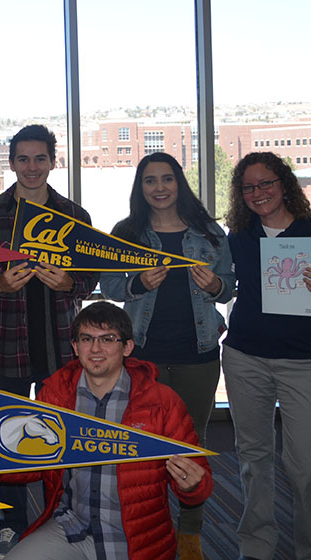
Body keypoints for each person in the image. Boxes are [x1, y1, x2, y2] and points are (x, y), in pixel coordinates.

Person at [0, 302, 213, 560]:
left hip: (135, 539)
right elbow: (39, 464)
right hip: (70, 526)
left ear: (127, 347)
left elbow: (200, 482)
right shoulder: (57, 395)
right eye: (86, 339)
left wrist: (193, 485)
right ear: (75, 347)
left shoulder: (161, 402)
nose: (95, 348)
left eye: (107, 339)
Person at [0, 124, 99, 558]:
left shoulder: (75, 216)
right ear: (11, 163)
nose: (31, 167)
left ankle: (62, 516)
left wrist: (70, 283)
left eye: (40, 158)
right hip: (6, 345)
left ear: (52, 161)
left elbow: (91, 277)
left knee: (60, 438)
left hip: (62, 347)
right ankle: (12, 522)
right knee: (7, 438)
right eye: (23, 159)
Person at [99, 152, 233, 559]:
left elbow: (229, 288)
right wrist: (137, 283)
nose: (160, 188)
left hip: (199, 354)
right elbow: (110, 288)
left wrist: (214, 287)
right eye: (151, 181)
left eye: (167, 179)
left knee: (194, 442)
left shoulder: (209, 233)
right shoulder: (126, 232)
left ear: (180, 183)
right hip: (144, 355)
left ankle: (190, 532)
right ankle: (151, 527)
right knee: (143, 445)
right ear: (140, 188)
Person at [222, 152, 311, 560]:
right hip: (245, 357)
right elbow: (225, 289)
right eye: (248, 187)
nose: (258, 193)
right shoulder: (238, 237)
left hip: (306, 362)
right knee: (253, 458)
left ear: (284, 184)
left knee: (310, 467)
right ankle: (257, 545)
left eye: (266, 184)